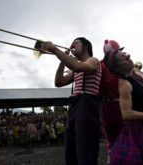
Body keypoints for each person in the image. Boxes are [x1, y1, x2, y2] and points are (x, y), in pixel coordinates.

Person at [100, 40, 143, 162]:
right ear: (117, 66)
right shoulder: (123, 82)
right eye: (122, 57)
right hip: (138, 126)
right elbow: (126, 114)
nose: (128, 56)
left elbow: (141, 97)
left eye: (124, 53)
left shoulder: (136, 76)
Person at [41, 37, 101, 165]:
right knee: (71, 147)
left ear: (86, 47)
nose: (73, 46)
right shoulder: (76, 68)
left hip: (87, 105)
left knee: (85, 148)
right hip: (75, 105)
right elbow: (59, 82)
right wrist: (62, 60)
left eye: (76, 43)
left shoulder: (93, 61)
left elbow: (78, 66)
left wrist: (55, 50)